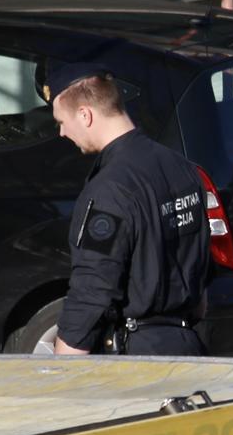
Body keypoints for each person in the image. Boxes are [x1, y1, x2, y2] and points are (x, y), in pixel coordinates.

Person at [46, 62, 210, 356]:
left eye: (61, 121)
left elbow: (93, 289)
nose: (61, 133)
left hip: (139, 357)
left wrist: (62, 370)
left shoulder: (110, 189)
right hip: (190, 346)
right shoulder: (183, 168)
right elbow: (202, 267)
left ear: (85, 115)